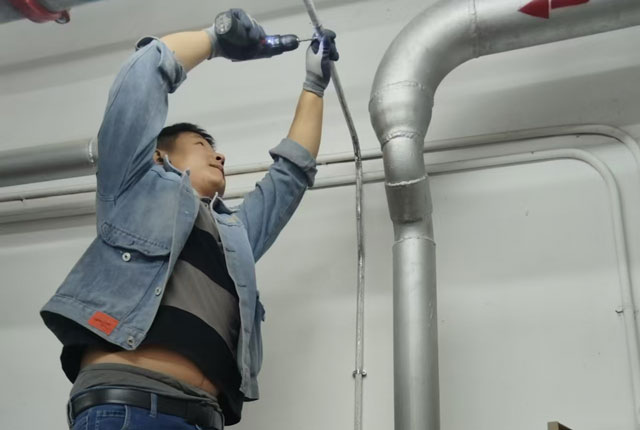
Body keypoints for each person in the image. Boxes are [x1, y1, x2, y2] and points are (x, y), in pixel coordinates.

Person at [39, 9, 339, 430]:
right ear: (158, 155)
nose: (220, 155)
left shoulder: (234, 235)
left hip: (203, 418)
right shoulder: (133, 185)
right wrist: (215, 39)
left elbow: (290, 177)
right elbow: (143, 77)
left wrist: (314, 86)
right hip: (129, 408)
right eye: (202, 145)